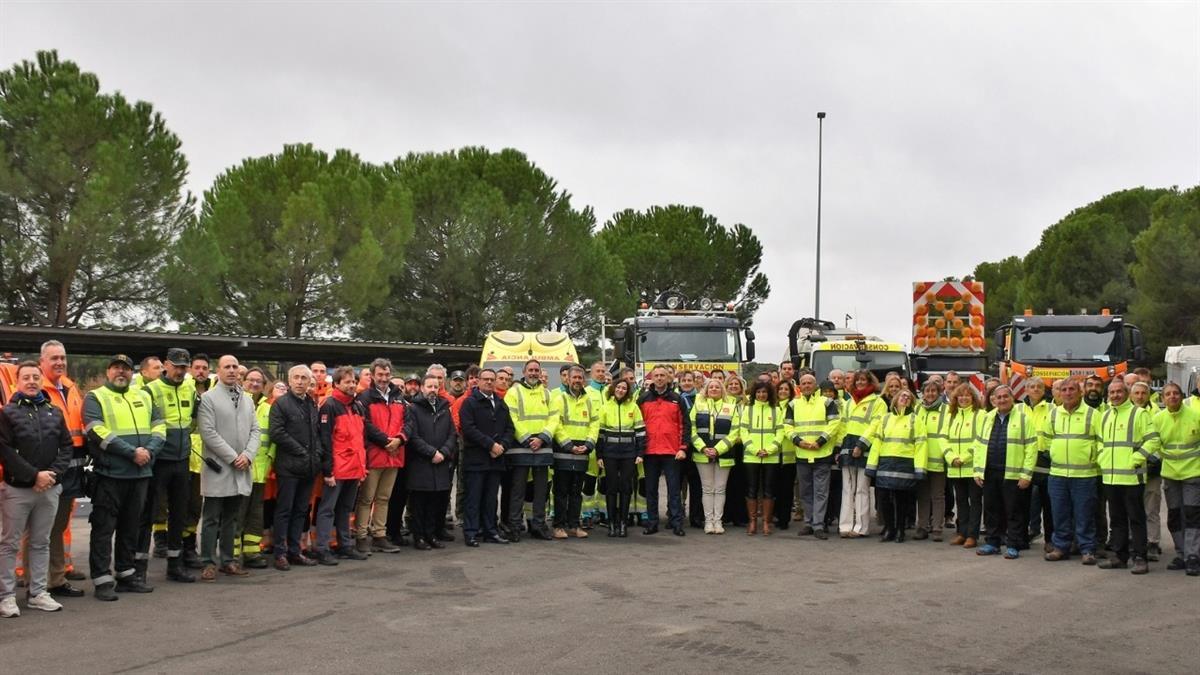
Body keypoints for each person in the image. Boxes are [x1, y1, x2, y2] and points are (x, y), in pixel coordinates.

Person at [84, 355, 166, 600]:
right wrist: (132, 453)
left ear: (133, 373)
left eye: (126, 369)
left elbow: (160, 427)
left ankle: (126, 574)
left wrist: (149, 451)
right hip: (110, 475)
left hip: (140, 474)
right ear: (108, 372)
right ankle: (102, 580)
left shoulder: (144, 395)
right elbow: (96, 430)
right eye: (117, 368)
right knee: (103, 529)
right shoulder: (95, 397)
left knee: (131, 527)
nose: (122, 372)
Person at [0, 361, 73, 616]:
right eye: (26, 377)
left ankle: (38, 593)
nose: (31, 381)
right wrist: (33, 476)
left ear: (41, 381)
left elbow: (66, 447)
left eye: (35, 377)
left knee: (41, 542)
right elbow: (5, 451)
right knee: (9, 544)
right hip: (17, 489)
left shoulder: (54, 412)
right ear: (17, 382)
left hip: (49, 488)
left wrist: (52, 474)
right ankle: (6, 597)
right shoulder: (7, 413)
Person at [196, 355, 259, 582]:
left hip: (241, 467)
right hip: (219, 468)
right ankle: (207, 562)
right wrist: (234, 457)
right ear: (218, 371)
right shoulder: (208, 399)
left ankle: (228, 561)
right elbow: (208, 433)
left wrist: (248, 455)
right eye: (227, 367)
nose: (232, 370)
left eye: (235, 367)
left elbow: (256, 431)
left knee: (232, 517)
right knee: (212, 517)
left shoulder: (247, 400)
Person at [312, 366, 384, 565]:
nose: (352, 385)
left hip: (354, 468)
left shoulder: (357, 406)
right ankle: (322, 548)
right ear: (336, 384)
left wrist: (362, 467)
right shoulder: (330, 406)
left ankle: (345, 545)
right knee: (328, 509)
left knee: (345, 510)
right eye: (347, 382)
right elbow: (325, 440)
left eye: (353, 381)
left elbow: (361, 440)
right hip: (337, 469)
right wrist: (328, 470)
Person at [138, 347, 198, 584]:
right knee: (148, 512)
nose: (180, 371)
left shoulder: (190, 387)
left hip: (181, 460)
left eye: (184, 367)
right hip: (158, 461)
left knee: (179, 514)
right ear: (166, 364)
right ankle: (139, 567)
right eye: (176, 366)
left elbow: (193, 419)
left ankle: (175, 565)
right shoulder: (150, 390)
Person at [36, 341, 88, 599]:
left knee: (59, 525)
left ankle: (57, 575)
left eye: (62, 358)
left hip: (72, 466)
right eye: (54, 358)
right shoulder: (36, 388)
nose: (59, 362)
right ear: (42, 361)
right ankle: (38, 579)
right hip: (48, 468)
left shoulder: (70, 387)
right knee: (40, 527)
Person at [1095, 378, 1160, 574]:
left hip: (1132, 477)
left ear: (1127, 393)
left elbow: (1153, 440)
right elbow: (1099, 442)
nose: (1115, 395)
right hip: (1110, 477)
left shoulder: (1139, 414)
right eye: (1112, 392)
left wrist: (1136, 459)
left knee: (1136, 518)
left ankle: (1140, 558)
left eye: (1119, 392)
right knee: (1117, 519)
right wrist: (1102, 458)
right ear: (1108, 395)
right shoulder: (1105, 416)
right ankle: (1120, 557)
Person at [1041, 378, 1103, 564]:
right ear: (1059, 393)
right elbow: (1046, 439)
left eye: (1072, 389)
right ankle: (1060, 547)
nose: (1068, 393)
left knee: (1084, 515)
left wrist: (1092, 457)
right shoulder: (1053, 414)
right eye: (1064, 390)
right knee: (1059, 513)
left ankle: (1087, 549)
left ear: (1080, 392)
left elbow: (1102, 441)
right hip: (1058, 475)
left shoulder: (1093, 415)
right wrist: (1055, 453)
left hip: (1085, 475)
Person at [268, 365, 322, 571]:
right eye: (296, 378)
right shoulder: (281, 404)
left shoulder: (311, 404)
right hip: (289, 467)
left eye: (304, 378)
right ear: (290, 381)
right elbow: (277, 432)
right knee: (284, 510)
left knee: (301, 510)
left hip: (308, 467)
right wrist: (301, 451)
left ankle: (295, 550)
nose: (300, 381)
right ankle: (280, 553)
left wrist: (316, 455)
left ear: (310, 382)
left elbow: (316, 433)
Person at [974, 385, 1037, 558]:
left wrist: (1026, 474)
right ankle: (992, 542)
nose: (1002, 400)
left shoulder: (1024, 419)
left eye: (1005, 397)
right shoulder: (986, 418)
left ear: (1012, 397)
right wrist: (978, 471)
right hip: (990, 472)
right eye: (998, 397)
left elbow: (1031, 448)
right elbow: (979, 445)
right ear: (993, 400)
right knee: (991, 510)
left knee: (1014, 511)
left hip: (1013, 474)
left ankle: (1013, 544)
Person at [353, 359, 405, 555]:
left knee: (384, 498)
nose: (383, 379)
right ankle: (360, 536)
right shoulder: (364, 397)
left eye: (386, 374)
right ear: (373, 376)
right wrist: (386, 441)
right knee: (366, 499)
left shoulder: (399, 396)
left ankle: (379, 535)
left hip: (394, 455)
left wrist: (399, 440)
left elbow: (408, 422)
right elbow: (365, 424)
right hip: (374, 455)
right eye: (380, 375)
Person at [863, 388, 928, 543]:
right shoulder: (885, 419)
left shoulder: (915, 420)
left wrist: (920, 469)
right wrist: (871, 465)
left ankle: (900, 531)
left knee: (901, 501)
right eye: (902, 396)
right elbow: (877, 443)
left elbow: (921, 446)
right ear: (896, 399)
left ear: (912, 401)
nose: (905, 398)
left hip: (905, 465)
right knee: (884, 500)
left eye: (908, 396)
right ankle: (889, 530)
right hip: (886, 464)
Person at [459, 369, 513, 546]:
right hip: (476, 459)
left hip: (496, 459)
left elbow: (509, 429)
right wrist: (490, 445)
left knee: (491, 499)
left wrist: (502, 446)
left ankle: (491, 531)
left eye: (492, 379)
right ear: (478, 381)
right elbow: (469, 429)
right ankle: (471, 532)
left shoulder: (500, 403)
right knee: (473, 499)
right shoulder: (470, 403)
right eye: (486, 379)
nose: (489, 382)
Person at [504, 360, 556, 541]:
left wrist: (542, 437)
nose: (534, 373)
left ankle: (538, 525)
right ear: (524, 372)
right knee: (518, 490)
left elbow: (554, 418)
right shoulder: (513, 392)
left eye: (536, 370)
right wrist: (527, 438)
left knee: (541, 491)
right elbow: (511, 417)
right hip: (520, 447)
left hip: (542, 446)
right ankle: (515, 527)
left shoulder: (548, 394)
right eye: (530, 370)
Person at [405, 375, 457, 550]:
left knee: (435, 502)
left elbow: (452, 434)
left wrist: (443, 452)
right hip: (421, 463)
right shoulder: (413, 408)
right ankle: (419, 537)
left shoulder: (444, 408)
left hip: (441, 462)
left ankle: (431, 534)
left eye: (436, 386)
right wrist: (431, 452)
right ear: (422, 388)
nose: (433, 389)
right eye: (429, 386)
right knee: (419, 503)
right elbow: (413, 436)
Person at [1154, 382, 1200, 575]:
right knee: (1174, 516)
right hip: (1170, 475)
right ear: (1162, 399)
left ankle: (1192, 556)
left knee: (1192, 515)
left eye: (1176, 393)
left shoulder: (1196, 416)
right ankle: (1181, 553)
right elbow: (1154, 445)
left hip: (1193, 474)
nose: (1172, 397)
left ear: (1182, 396)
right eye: (1168, 394)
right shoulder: (1158, 419)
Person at [638, 366, 690, 537]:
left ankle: (676, 523)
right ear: (652, 378)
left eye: (663, 375)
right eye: (656, 375)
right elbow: (637, 425)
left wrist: (683, 448)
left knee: (674, 490)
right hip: (650, 451)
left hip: (671, 451)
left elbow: (685, 425)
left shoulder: (677, 399)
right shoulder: (643, 398)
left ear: (668, 378)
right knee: (651, 489)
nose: (659, 378)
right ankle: (652, 523)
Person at [788, 373, 841, 539]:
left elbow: (834, 424)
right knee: (805, 492)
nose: (806, 385)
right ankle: (808, 523)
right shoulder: (793, 404)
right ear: (799, 386)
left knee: (820, 492)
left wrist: (820, 441)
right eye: (803, 383)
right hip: (802, 454)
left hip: (822, 453)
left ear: (815, 385)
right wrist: (798, 441)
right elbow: (787, 427)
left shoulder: (827, 402)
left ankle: (818, 525)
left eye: (809, 383)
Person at [550, 366, 599, 539]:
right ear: (568, 379)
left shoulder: (589, 401)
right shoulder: (560, 399)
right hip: (564, 452)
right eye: (574, 378)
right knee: (561, 491)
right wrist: (569, 445)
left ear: (584, 380)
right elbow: (556, 424)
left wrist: (589, 444)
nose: (577, 380)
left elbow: (594, 424)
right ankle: (559, 526)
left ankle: (574, 525)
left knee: (576, 492)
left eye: (580, 377)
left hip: (583, 452)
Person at [838, 370, 886, 538]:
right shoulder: (848, 402)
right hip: (847, 446)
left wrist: (861, 445)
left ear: (869, 381)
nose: (859, 383)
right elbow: (842, 424)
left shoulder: (878, 402)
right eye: (857, 380)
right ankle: (845, 526)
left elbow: (876, 425)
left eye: (863, 380)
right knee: (847, 488)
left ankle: (861, 527)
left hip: (864, 447)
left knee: (862, 489)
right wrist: (839, 447)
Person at [690, 378, 738, 534]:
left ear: (722, 390)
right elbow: (691, 429)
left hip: (724, 454)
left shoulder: (731, 407)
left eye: (717, 387)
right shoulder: (698, 405)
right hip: (702, 454)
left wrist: (718, 449)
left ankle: (718, 521)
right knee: (707, 489)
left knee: (720, 489)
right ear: (706, 390)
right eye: (711, 387)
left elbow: (734, 432)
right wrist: (703, 447)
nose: (714, 389)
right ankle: (708, 522)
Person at [598, 380, 645, 537]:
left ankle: (623, 523)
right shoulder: (605, 407)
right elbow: (600, 434)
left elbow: (640, 432)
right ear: (613, 388)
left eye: (624, 388)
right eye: (618, 387)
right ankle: (612, 523)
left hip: (628, 454)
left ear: (627, 391)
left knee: (626, 489)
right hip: (609, 454)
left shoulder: (633, 407)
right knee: (611, 489)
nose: (621, 390)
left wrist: (640, 453)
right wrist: (599, 455)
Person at [238, 367, 273, 568]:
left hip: (260, 469)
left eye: (258, 381)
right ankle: (232, 555)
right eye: (250, 380)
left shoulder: (268, 408)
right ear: (243, 382)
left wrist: (270, 458)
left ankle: (251, 552)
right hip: (240, 468)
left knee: (255, 514)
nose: (254, 384)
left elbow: (273, 439)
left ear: (264, 385)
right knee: (237, 512)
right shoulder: (236, 404)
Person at [739, 380, 781, 536]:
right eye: (758, 392)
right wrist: (754, 449)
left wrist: (769, 450)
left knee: (769, 490)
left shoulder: (776, 410)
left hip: (771, 456)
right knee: (751, 490)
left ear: (769, 394)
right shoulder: (748, 410)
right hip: (752, 456)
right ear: (754, 394)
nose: (761, 395)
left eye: (764, 392)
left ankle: (766, 522)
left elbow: (780, 432)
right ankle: (752, 522)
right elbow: (744, 432)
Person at [945, 384, 984, 548]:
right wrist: (951, 457)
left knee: (974, 501)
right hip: (955, 467)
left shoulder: (980, 415)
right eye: (960, 396)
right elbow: (943, 438)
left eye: (967, 395)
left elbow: (981, 439)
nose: (963, 398)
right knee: (960, 502)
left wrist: (965, 457)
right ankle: (962, 532)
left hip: (972, 467)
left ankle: (972, 535)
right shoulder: (951, 415)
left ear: (973, 398)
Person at [914, 379, 948, 541]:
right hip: (921, 460)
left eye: (933, 391)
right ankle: (922, 527)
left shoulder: (946, 409)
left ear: (939, 392)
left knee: (938, 496)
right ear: (922, 393)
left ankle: (937, 528)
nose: (930, 394)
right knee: (922, 495)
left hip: (939, 460)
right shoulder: (917, 409)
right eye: (927, 391)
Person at [1024, 379, 1055, 551]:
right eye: (1032, 387)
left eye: (1039, 387)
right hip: (1024, 460)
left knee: (1047, 502)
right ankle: (1025, 534)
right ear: (1026, 390)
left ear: (1044, 390)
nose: (1035, 389)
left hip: (1044, 460)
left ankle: (1050, 538)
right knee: (1024, 502)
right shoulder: (1019, 409)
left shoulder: (1052, 409)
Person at [773, 380, 798, 531]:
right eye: (780, 388)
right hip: (773, 453)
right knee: (774, 488)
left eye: (786, 389)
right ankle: (775, 515)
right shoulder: (772, 406)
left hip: (790, 454)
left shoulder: (795, 406)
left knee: (787, 489)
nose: (783, 391)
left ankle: (784, 519)